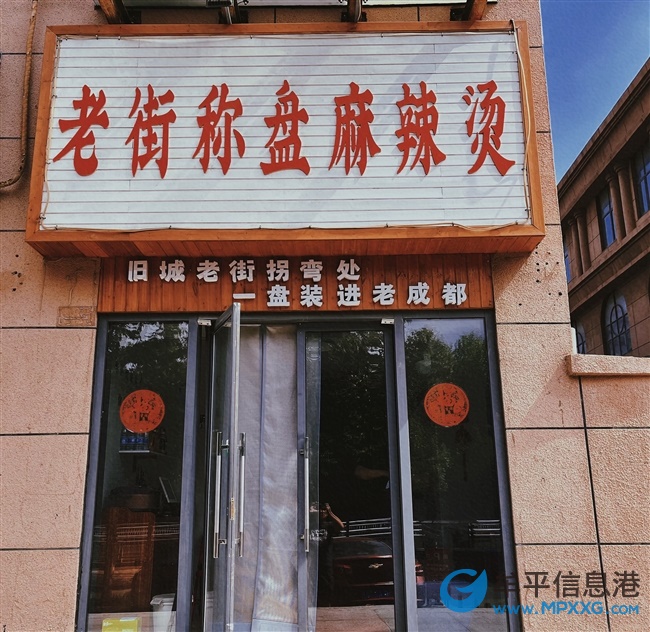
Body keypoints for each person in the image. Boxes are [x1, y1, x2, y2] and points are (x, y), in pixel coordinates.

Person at [315, 503, 344, 606]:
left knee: (328, 583)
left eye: (324, 510)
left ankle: (327, 603)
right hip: (313, 560)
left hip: (325, 560)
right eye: (320, 510)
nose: (322, 512)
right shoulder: (311, 524)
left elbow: (341, 526)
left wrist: (330, 512)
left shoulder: (329, 525)